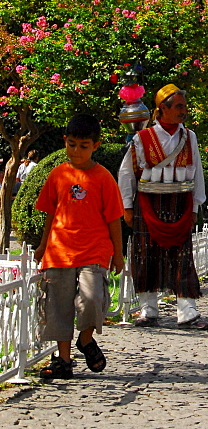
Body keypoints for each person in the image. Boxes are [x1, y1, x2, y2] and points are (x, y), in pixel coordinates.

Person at [34, 113, 124, 380]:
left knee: (92, 299)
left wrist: (117, 254)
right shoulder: (58, 174)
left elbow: (114, 219)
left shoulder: (103, 178)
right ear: (65, 141)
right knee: (58, 306)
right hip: (59, 250)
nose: (76, 151)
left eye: (83, 146)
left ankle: (85, 340)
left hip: (94, 251)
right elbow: (51, 211)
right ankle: (63, 360)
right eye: (71, 144)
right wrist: (42, 244)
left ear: (95, 145)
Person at [118, 83, 208, 330]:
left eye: (184, 106)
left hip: (180, 203)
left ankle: (188, 312)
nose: (184, 111)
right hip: (148, 203)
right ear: (163, 108)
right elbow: (127, 174)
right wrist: (127, 206)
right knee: (145, 255)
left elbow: (197, 173)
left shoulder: (189, 137)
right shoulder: (142, 138)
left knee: (182, 259)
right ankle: (148, 310)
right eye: (179, 106)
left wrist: (195, 208)